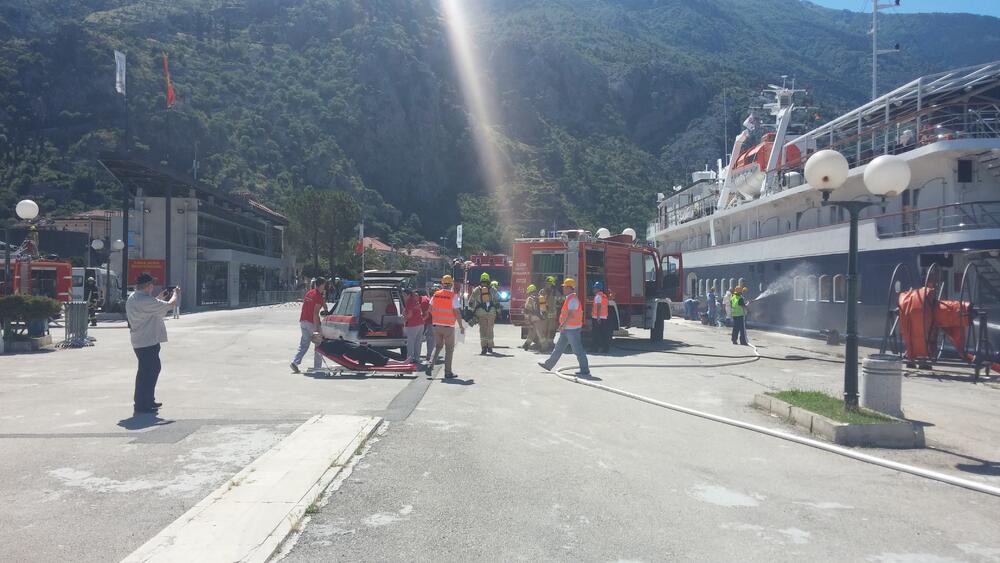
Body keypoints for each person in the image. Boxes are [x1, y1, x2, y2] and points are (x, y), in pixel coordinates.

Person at [125, 274, 179, 414]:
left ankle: (148, 400)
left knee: (149, 371)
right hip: (146, 341)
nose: (153, 287)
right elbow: (171, 305)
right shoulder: (144, 300)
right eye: (151, 285)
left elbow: (152, 305)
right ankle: (142, 405)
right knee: (147, 373)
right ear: (148, 286)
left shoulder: (135, 297)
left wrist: (160, 297)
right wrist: (175, 293)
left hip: (143, 340)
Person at [538, 278, 590, 376]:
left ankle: (585, 369)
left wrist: (563, 325)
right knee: (558, 348)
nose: (563, 289)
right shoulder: (569, 298)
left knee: (577, 350)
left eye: (565, 287)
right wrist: (563, 326)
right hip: (567, 329)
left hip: (572, 329)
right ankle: (548, 364)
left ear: (570, 288)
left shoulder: (572, 299)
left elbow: (570, 314)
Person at [426, 275, 466, 379]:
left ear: (442, 284)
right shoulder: (453, 296)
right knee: (449, 349)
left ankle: (430, 364)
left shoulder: (436, 294)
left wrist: (436, 317)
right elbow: (457, 312)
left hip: (436, 325)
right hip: (448, 326)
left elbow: (430, 309)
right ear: (451, 284)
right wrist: (461, 326)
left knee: (438, 346)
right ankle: (448, 372)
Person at [290, 277, 326, 373]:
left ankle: (295, 362)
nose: (325, 287)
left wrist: (323, 299)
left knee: (304, 345)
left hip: (303, 321)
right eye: (324, 285)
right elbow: (315, 313)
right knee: (319, 344)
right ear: (321, 285)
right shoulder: (318, 296)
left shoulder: (309, 293)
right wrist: (316, 328)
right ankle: (317, 367)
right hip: (311, 322)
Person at [471, 272, 499, 355]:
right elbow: (497, 301)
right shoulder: (493, 289)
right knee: (490, 329)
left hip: (481, 313)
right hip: (491, 313)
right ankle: (490, 347)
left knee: (482, 330)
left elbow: (471, 302)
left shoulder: (476, 290)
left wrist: (473, 312)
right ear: (488, 280)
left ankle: (483, 347)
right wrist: (498, 312)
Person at [402, 288, 425, 365]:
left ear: (408, 295)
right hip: (420, 323)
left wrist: (404, 317)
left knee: (411, 342)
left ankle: (410, 359)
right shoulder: (415, 301)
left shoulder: (409, 302)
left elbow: (409, 315)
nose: (403, 296)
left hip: (413, 325)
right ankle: (417, 358)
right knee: (418, 342)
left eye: (404, 295)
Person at [539, 276, 559, 353]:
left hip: (548, 315)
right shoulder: (553, 292)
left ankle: (548, 344)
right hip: (546, 315)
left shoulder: (543, 291)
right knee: (546, 331)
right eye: (547, 284)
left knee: (551, 330)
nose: (548, 285)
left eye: (549, 284)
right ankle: (545, 346)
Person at [522, 284, 543, 351]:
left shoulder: (530, 298)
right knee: (536, 332)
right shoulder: (540, 297)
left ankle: (543, 347)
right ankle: (526, 344)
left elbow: (527, 310)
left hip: (533, 317)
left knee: (534, 332)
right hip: (540, 317)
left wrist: (527, 319)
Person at [591, 281, 610, 353]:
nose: (593, 289)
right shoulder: (604, 296)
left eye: (594, 288)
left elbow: (599, 307)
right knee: (603, 334)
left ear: (598, 289)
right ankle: (605, 349)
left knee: (596, 334)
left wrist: (598, 317)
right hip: (604, 317)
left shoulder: (598, 296)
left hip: (597, 318)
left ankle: (595, 349)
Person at [419, 289, 433, 360]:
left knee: (429, 338)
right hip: (430, 321)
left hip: (429, 321)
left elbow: (426, 314)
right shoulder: (425, 299)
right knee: (430, 338)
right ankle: (429, 355)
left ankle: (429, 355)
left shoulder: (423, 301)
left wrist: (420, 322)